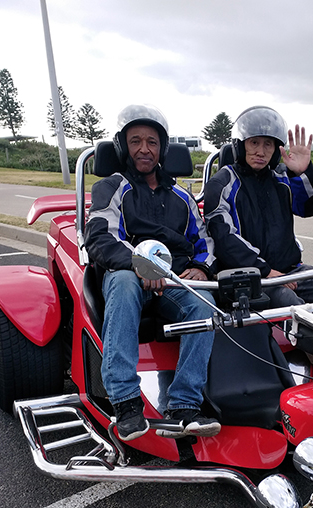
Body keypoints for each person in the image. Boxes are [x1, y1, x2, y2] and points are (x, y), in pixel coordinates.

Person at [85, 104, 220, 441]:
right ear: (122, 147)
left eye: (152, 142)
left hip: (172, 279)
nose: (144, 149)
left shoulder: (181, 196)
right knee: (127, 284)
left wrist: (200, 268)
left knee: (204, 303)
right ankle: (126, 403)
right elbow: (100, 238)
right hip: (127, 272)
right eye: (135, 141)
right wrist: (143, 264)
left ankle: (185, 404)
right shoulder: (111, 187)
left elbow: (203, 240)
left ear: (162, 148)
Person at [203, 105, 313, 378]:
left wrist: (304, 172)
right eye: (254, 143)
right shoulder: (223, 183)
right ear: (240, 145)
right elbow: (224, 238)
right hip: (247, 277)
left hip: (290, 270)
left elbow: (310, 205)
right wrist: (267, 272)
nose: (260, 151)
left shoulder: (282, 178)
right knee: (296, 307)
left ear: (276, 149)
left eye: (268, 144)